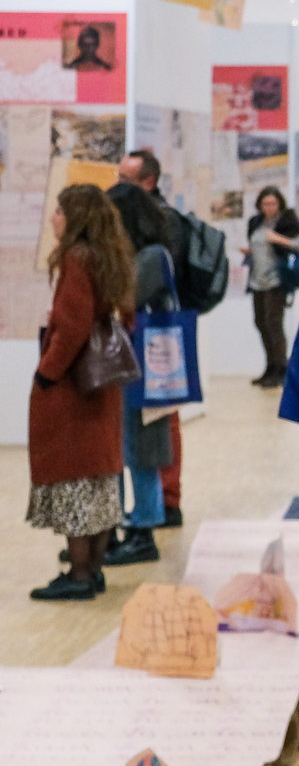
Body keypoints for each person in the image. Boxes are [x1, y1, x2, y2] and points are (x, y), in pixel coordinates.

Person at [26, 184, 133, 601]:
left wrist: (46, 374)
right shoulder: (110, 256)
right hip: (102, 387)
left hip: (74, 391)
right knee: (99, 484)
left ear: (76, 217)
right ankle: (94, 572)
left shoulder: (75, 258)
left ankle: (80, 576)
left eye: (59, 211)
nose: (54, 218)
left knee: (74, 483)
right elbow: (123, 316)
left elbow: (71, 327)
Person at [100, 182, 176, 568]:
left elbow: (126, 299)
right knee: (124, 445)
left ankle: (145, 530)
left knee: (143, 449)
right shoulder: (137, 254)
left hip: (148, 367)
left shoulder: (152, 256)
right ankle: (126, 526)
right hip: (130, 364)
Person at [120, 149, 186, 528]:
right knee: (145, 430)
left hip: (156, 341)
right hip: (146, 340)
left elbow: (133, 293)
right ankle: (156, 506)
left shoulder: (160, 228)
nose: (118, 187)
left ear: (148, 182)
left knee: (158, 425)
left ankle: (164, 503)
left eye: (125, 180)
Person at [240, 185, 299, 389]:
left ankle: (282, 369)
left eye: (272, 203)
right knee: (261, 322)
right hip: (257, 280)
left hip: (276, 279)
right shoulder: (255, 222)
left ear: (279, 203)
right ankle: (270, 367)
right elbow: (257, 245)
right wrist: (250, 251)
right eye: (265, 204)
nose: (268, 207)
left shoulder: (286, 221)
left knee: (274, 323)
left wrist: (279, 239)